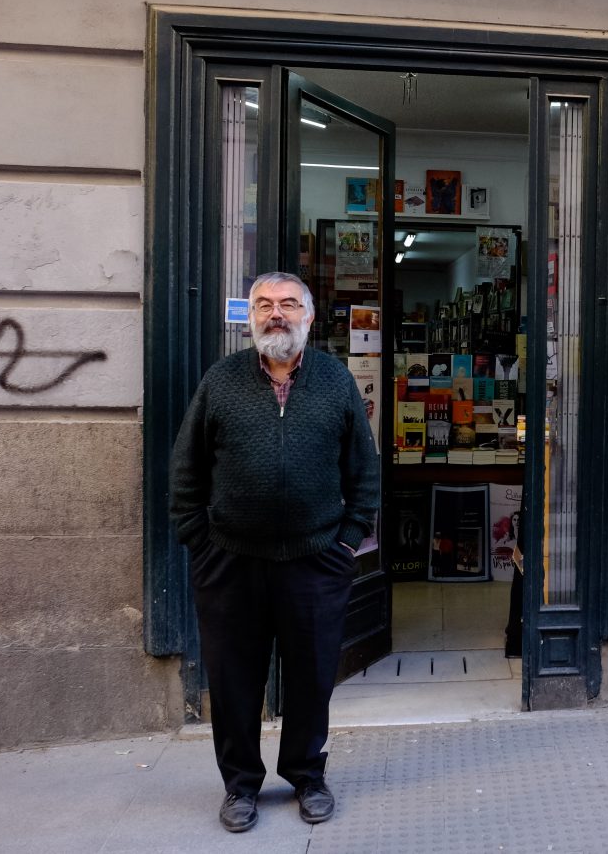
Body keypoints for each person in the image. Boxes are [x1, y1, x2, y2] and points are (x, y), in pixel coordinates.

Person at [169, 272, 379, 833]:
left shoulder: (335, 381)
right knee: (234, 678)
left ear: (309, 317)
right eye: (264, 305)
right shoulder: (221, 381)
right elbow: (186, 467)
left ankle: (307, 775)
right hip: (230, 560)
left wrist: (348, 540)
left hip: (316, 558)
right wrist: (199, 539)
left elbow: (364, 469)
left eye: (288, 304)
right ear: (250, 318)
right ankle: (240, 786)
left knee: (312, 677)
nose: (276, 314)